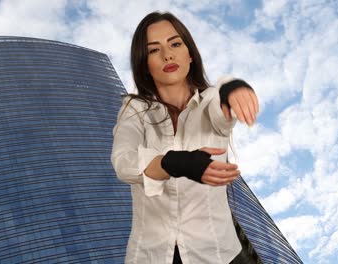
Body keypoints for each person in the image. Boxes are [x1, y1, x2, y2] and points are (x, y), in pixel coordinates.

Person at [111, 11, 259, 264]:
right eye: (154, 50)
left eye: (175, 44)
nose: (168, 54)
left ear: (190, 54)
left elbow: (221, 108)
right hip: (151, 255)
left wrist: (232, 90)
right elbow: (123, 162)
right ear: (144, 64)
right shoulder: (134, 109)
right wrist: (172, 162)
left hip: (219, 255)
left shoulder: (210, 101)